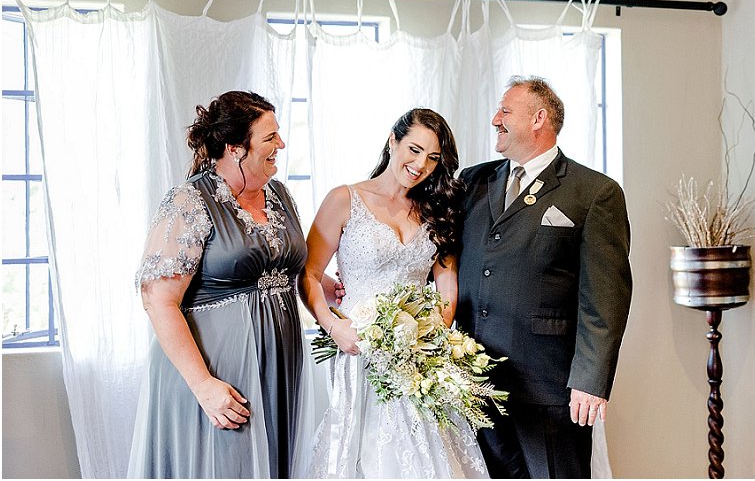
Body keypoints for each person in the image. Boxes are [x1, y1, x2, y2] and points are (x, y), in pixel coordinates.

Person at [127, 91, 314, 478]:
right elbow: (158, 300)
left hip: (277, 370)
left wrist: (326, 285)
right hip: (216, 373)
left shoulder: (279, 195)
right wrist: (203, 385)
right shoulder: (190, 200)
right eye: (270, 137)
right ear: (235, 148)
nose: (281, 144)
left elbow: (280, 262)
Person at [455, 76, 632, 478]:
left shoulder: (594, 192)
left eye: (505, 111)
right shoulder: (472, 181)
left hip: (548, 387)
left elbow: (606, 298)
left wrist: (590, 380)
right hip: (474, 380)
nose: (495, 119)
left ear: (538, 119)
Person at [298, 108, 489, 478]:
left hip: (419, 357)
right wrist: (334, 327)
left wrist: (430, 338)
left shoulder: (438, 210)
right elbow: (309, 273)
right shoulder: (344, 199)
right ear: (392, 141)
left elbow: (447, 286)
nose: (420, 165)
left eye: (432, 157)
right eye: (414, 150)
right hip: (358, 352)